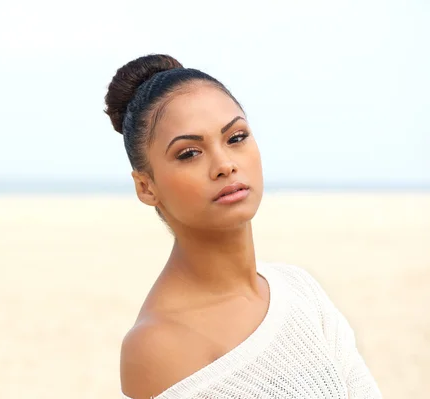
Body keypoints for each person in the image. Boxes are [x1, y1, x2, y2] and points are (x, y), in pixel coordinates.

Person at [103, 54, 382, 399]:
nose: (224, 165)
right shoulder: (157, 345)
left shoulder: (300, 290)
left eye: (235, 138)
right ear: (146, 187)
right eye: (189, 153)